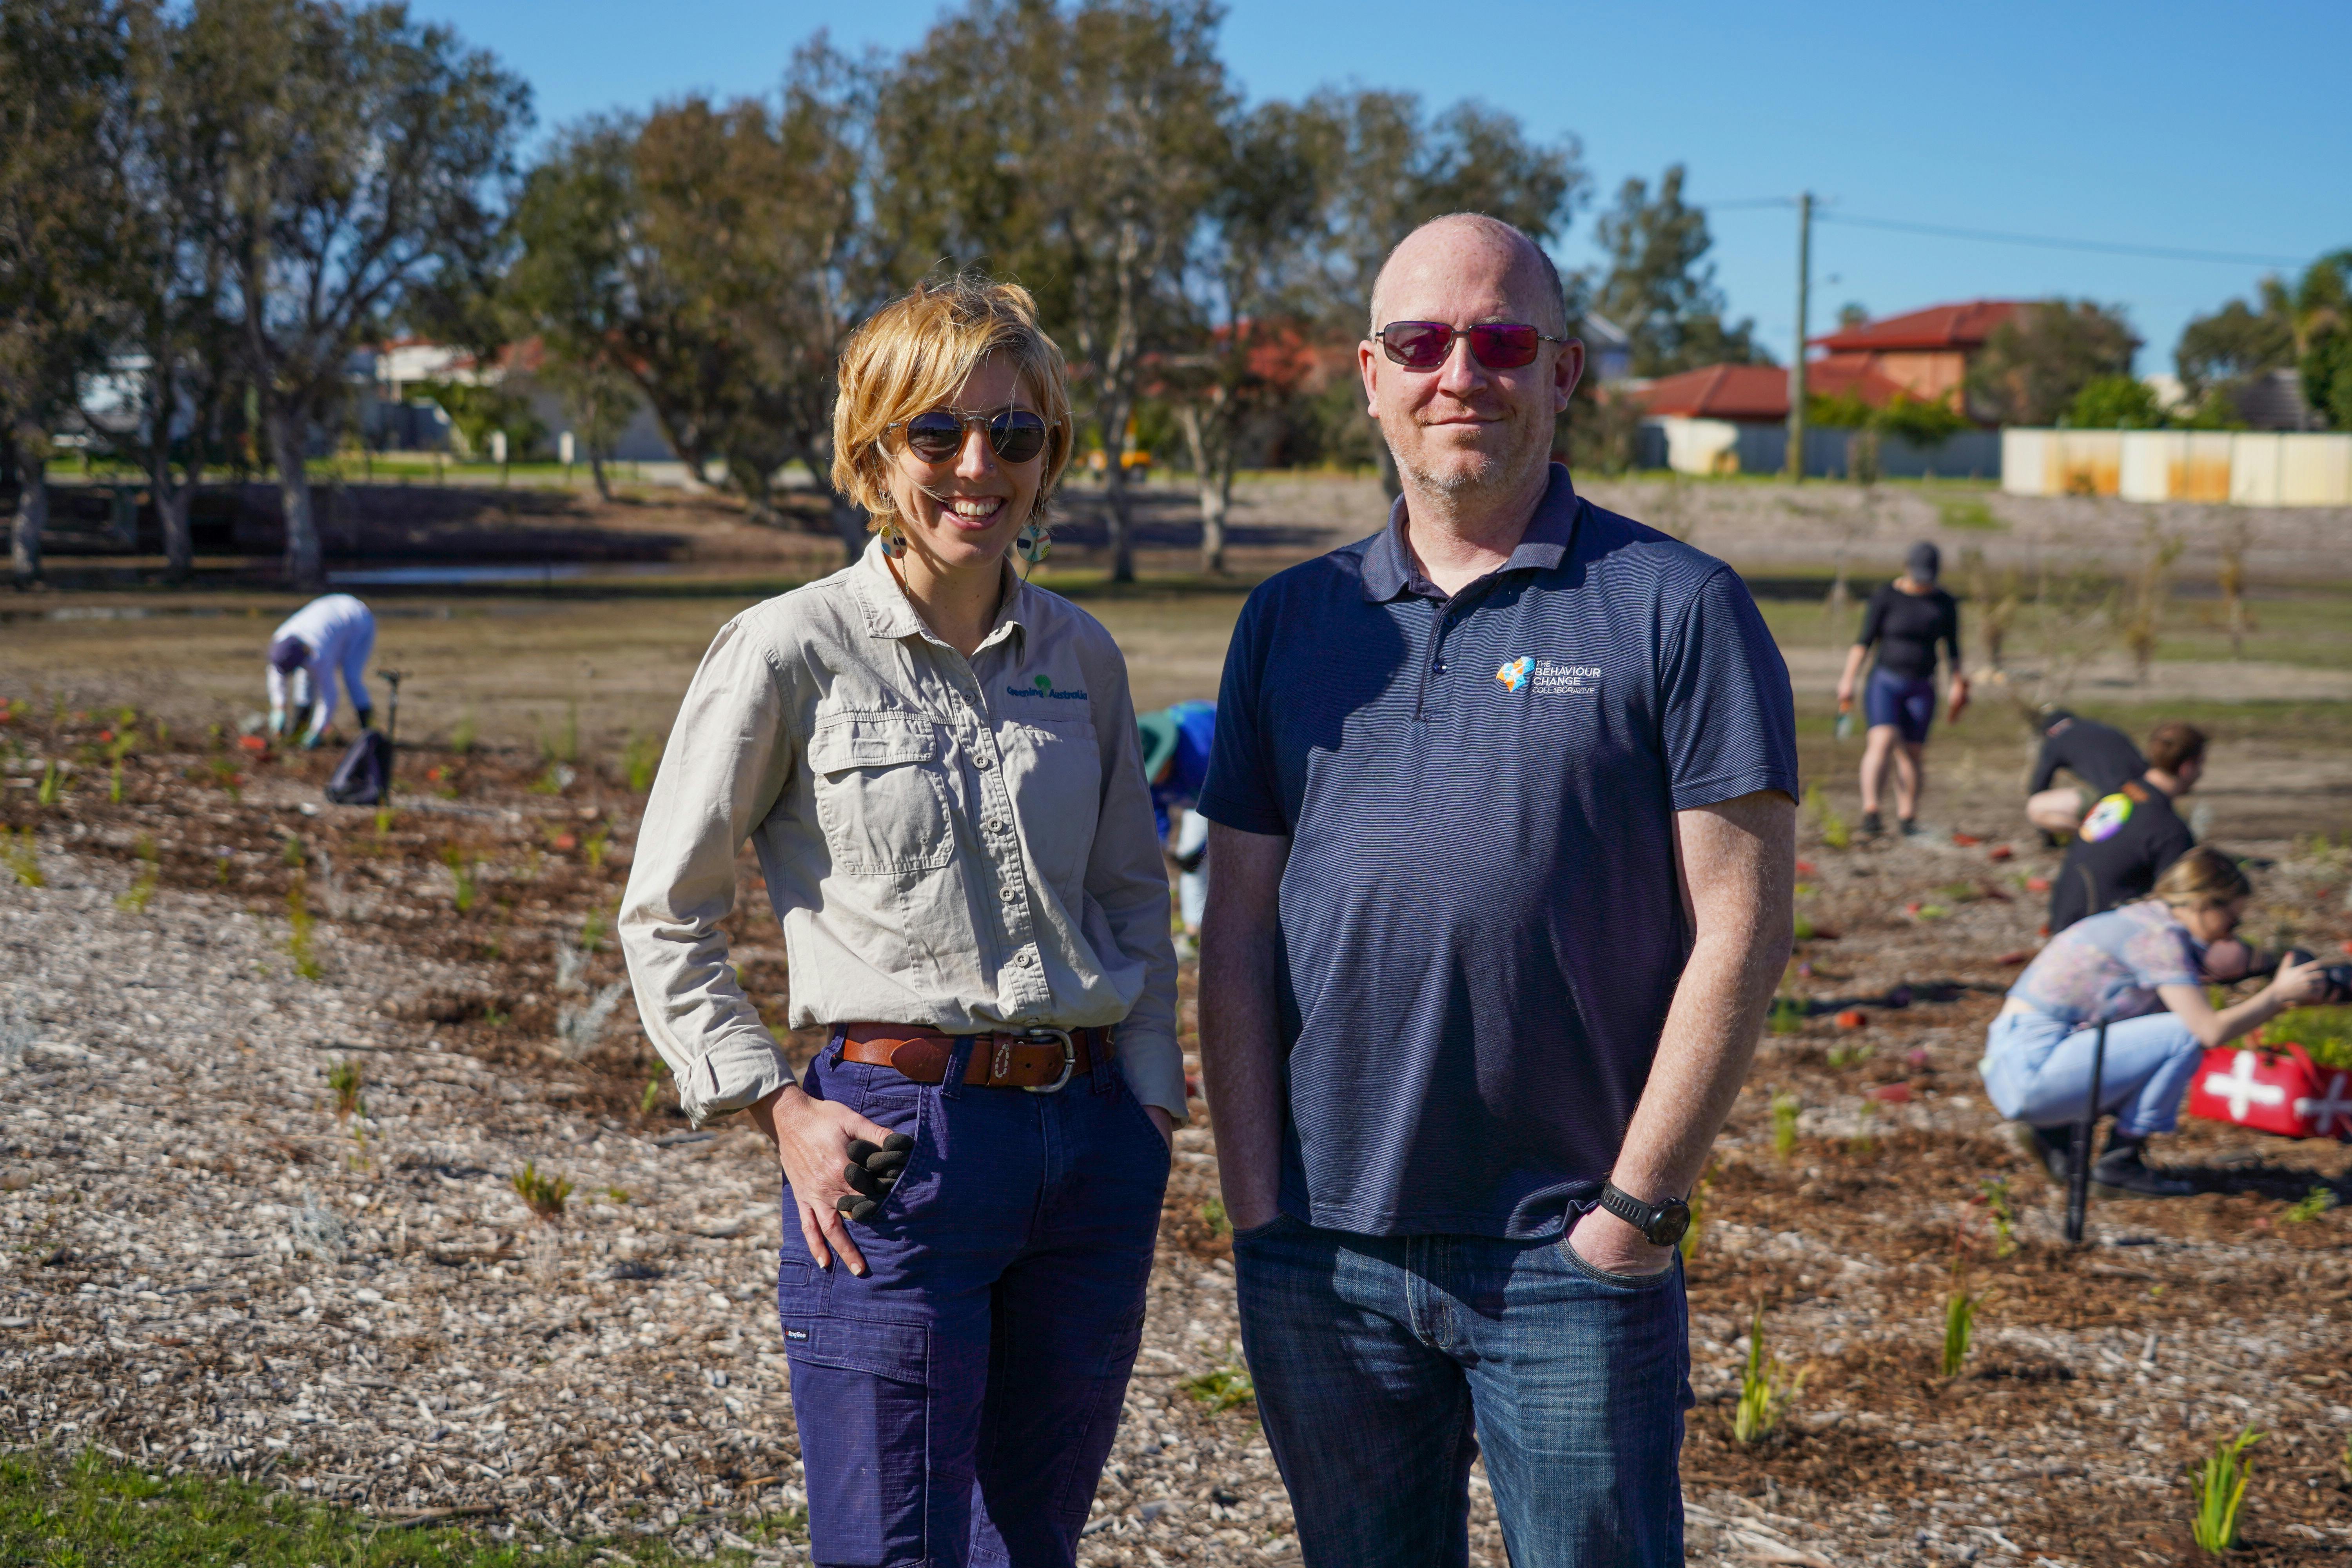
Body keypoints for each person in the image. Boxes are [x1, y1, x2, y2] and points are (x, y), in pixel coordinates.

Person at [1196, 213, 1798, 1568]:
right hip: (1325, 1254)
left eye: (1503, 339)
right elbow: (1233, 930)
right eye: (1420, 341)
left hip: (1567, 1257)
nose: (1459, 372)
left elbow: (1744, 930)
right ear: (1369, 375)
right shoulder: (1291, 621)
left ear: (1566, 371)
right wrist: (1257, 1210)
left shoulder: (1679, 606)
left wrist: (1635, 1216)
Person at [618, 277, 1180, 1568]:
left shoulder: (1082, 657)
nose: (978, 465)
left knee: (1028, 1546)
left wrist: (1147, 1112)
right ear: (872, 454)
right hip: (898, 1152)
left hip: (1091, 1150)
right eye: (938, 432)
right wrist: (776, 1107)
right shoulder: (787, 650)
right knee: (893, 1550)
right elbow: (666, 911)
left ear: (1050, 461)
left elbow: (1130, 897)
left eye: (1016, 434)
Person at [1984, 846, 2326, 1197]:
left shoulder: (2140, 920)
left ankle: (2057, 1131)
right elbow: (2208, 1030)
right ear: (2203, 904)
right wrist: (2278, 996)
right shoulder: (2158, 938)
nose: (2228, 935)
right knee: (2184, 1033)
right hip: (2032, 1069)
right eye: (2232, 922)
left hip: (2019, 1061)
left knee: (2165, 1028)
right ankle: (2120, 1162)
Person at [1834, 542, 1965, 837]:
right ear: (1906, 568)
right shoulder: (1886, 597)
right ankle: (1872, 812)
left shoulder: (1945, 603)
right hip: (1885, 681)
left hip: (1923, 685)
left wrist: (1958, 682)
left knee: (1912, 753)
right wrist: (1848, 680)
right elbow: (1864, 641)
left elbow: (1953, 648)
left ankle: (1908, 817)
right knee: (1882, 740)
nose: (1923, 581)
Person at [2047, 721, 2207, 934]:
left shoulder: (2116, 796)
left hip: (2063, 922)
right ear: (2187, 768)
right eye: (2201, 765)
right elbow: (2179, 905)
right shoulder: (2170, 830)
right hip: (2100, 934)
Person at [1138, 699, 1215, 937]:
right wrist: (1164, 848)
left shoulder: (1202, 754)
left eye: (1158, 769)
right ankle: (1195, 931)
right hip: (1197, 795)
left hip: (1230, 788)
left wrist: (1204, 849)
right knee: (1188, 856)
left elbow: (1233, 808)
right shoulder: (1139, 763)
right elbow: (1155, 811)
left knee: (1224, 857)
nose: (1157, 779)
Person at [266, 592, 376, 748]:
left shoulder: (319, 654)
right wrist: (279, 708)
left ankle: (369, 732)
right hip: (331, 611)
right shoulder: (281, 640)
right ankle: (298, 730)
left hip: (358, 620)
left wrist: (318, 730)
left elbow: (329, 696)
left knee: (351, 677)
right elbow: (276, 674)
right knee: (306, 678)